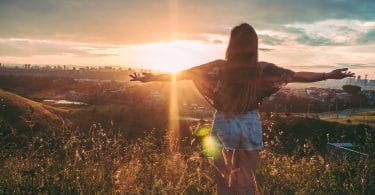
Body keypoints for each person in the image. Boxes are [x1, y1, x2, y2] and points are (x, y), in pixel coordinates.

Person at [130, 23, 354, 194]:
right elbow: (297, 76)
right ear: (253, 45)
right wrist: (328, 75)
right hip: (250, 123)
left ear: (232, 44)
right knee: (246, 180)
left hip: (224, 123)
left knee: (223, 181)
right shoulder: (262, 69)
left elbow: (181, 74)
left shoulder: (217, 68)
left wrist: (149, 78)